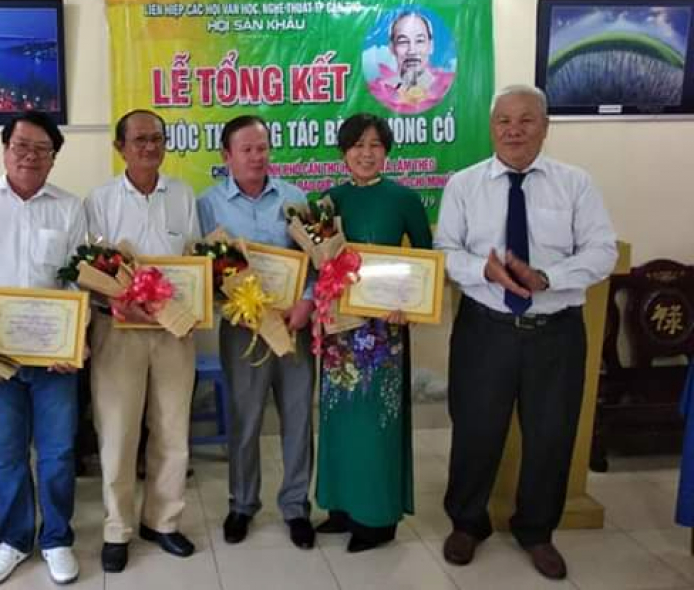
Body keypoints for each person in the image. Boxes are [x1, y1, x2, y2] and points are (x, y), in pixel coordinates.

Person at [434, 85, 617, 580]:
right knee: (475, 430)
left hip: (555, 334)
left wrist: (547, 278)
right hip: (484, 330)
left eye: (526, 120)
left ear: (545, 126)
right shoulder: (464, 184)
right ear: (491, 127)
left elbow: (602, 251)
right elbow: (445, 252)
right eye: (504, 121)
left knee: (551, 435)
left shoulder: (575, 184)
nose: (513, 130)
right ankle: (467, 523)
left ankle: (537, 531)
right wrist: (483, 269)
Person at [0, 111, 87, 586]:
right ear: (5, 149)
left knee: (58, 452)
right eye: (21, 146)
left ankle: (57, 539)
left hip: (54, 359)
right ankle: (13, 539)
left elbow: (78, 277)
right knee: (6, 453)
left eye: (41, 149)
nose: (29, 156)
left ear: (54, 157)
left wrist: (75, 338)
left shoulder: (70, 208)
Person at [85, 109, 201, 573]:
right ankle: (117, 528)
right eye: (139, 140)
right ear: (120, 147)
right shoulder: (99, 200)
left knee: (173, 429)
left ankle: (163, 521)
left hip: (174, 331)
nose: (149, 147)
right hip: (118, 330)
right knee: (118, 433)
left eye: (157, 139)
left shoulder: (184, 195)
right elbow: (91, 270)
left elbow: (194, 258)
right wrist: (116, 302)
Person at [196, 115, 316, 549]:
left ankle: (296, 505)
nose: (256, 157)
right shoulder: (207, 204)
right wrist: (231, 304)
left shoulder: (294, 198)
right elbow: (204, 270)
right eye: (246, 149)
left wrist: (307, 302)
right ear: (226, 156)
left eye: (262, 148)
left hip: (293, 327)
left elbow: (314, 260)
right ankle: (243, 504)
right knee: (245, 420)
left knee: (298, 418)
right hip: (242, 330)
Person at [314, 114, 432, 552]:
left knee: (377, 424)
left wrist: (413, 306)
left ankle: (377, 520)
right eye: (357, 145)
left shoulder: (404, 198)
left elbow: (425, 260)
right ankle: (341, 508)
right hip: (339, 331)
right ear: (343, 152)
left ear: (386, 151)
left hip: (384, 332)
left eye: (375, 145)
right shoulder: (328, 202)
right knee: (339, 420)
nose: (366, 153)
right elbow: (318, 262)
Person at [384, 11, 438, 92]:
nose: (412, 51)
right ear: (392, 48)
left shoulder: (445, 86)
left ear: (431, 46)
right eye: (403, 41)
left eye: (419, 41)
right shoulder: (382, 88)